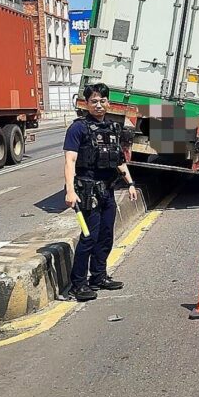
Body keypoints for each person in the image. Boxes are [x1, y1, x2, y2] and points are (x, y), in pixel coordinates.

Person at [64, 83, 138, 302]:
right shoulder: (78, 128)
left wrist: (131, 183)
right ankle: (78, 284)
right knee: (89, 237)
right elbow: (70, 160)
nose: (98, 105)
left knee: (106, 236)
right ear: (86, 103)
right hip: (87, 191)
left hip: (107, 190)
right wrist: (70, 190)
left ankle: (98, 276)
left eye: (102, 101)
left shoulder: (113, 128)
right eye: (94, 101)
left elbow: (118, 160)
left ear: (108, 103)